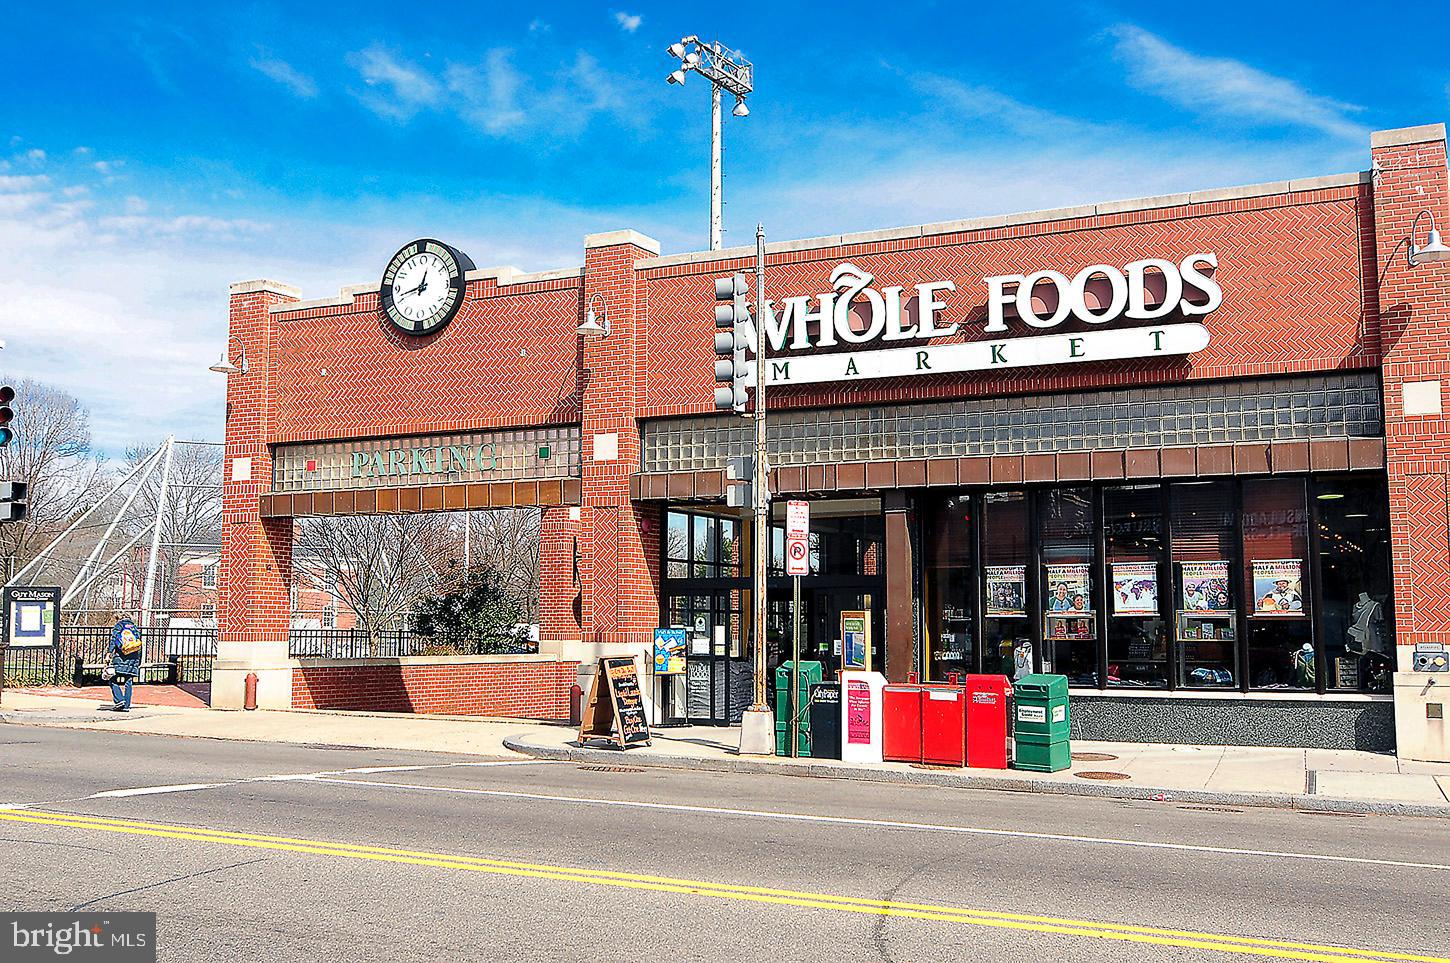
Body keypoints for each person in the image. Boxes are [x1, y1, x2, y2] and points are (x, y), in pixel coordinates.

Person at [101, 618, 142, 712]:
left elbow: (114, 640)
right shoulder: (134, 628)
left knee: (112, 678)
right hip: (133, 657)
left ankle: (119, 700)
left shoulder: (119, 626)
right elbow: (139, 644)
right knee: (128, 681)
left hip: (121, 656)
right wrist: (138, 660)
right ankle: (126, 706)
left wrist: (109, 653)